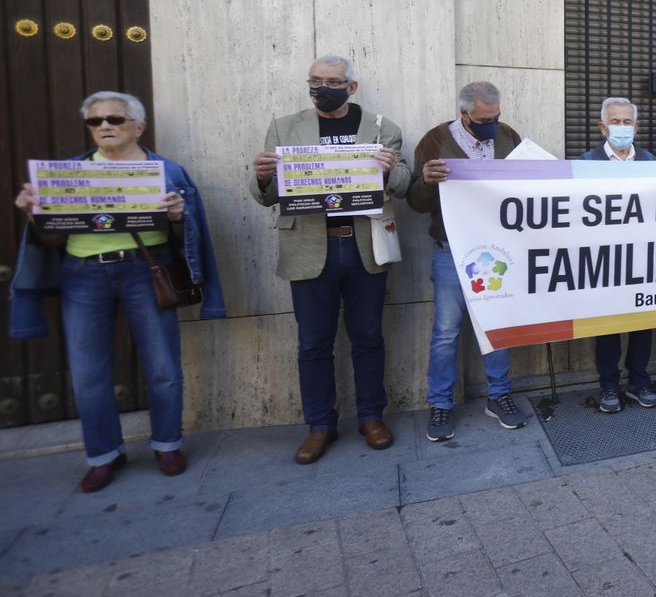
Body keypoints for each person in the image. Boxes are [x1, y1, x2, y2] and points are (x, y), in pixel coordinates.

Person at [10, 91, 225, 493]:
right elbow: (49, 240)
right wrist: (35, 214)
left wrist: (180, 217)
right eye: (95, 122)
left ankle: (167, 444)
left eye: (115, 119)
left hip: (146, 271)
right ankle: (104, 455)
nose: (105, 126)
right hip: (83, 275)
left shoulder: (167, 171)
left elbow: (188, 235)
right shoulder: (67, 174)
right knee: (88, 371)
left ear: (138, 127)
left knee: (162, 365)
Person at [251, 55, 410, 464]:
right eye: (316, 81)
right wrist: (263, 175)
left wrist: (389, 170)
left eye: (333, 81)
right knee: (313, 343)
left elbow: (405, 184)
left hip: (363, 247)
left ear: (351, 87)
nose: (323, 87)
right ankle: (320, 425)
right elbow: (265, 195)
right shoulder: (285, 127)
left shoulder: (381, 128)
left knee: (368, 337)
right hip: (308, 246)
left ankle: (371, 417)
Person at [408, 80, 526, 441]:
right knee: (446, 333)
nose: (491, 123)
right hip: (451, 250)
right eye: (483, 118)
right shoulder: (434, 141)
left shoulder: (508, 136)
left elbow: (523, 189)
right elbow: (414, 201)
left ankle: (499, 395)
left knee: (496, 328)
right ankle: (440, 403)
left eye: (496, 116)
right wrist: (427, 182)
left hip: (497, 250)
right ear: (463, 114)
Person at [582, 97, 656, 413]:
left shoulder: (651, 162)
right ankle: (609, 386)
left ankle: (639, 382)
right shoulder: (587, 163)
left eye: (627, 122)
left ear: (637, 127)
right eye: (615, 121)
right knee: (608, 326)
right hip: (606, 261)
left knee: (644, 322)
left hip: (643, 258)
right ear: (603, 127)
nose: (621, 127)